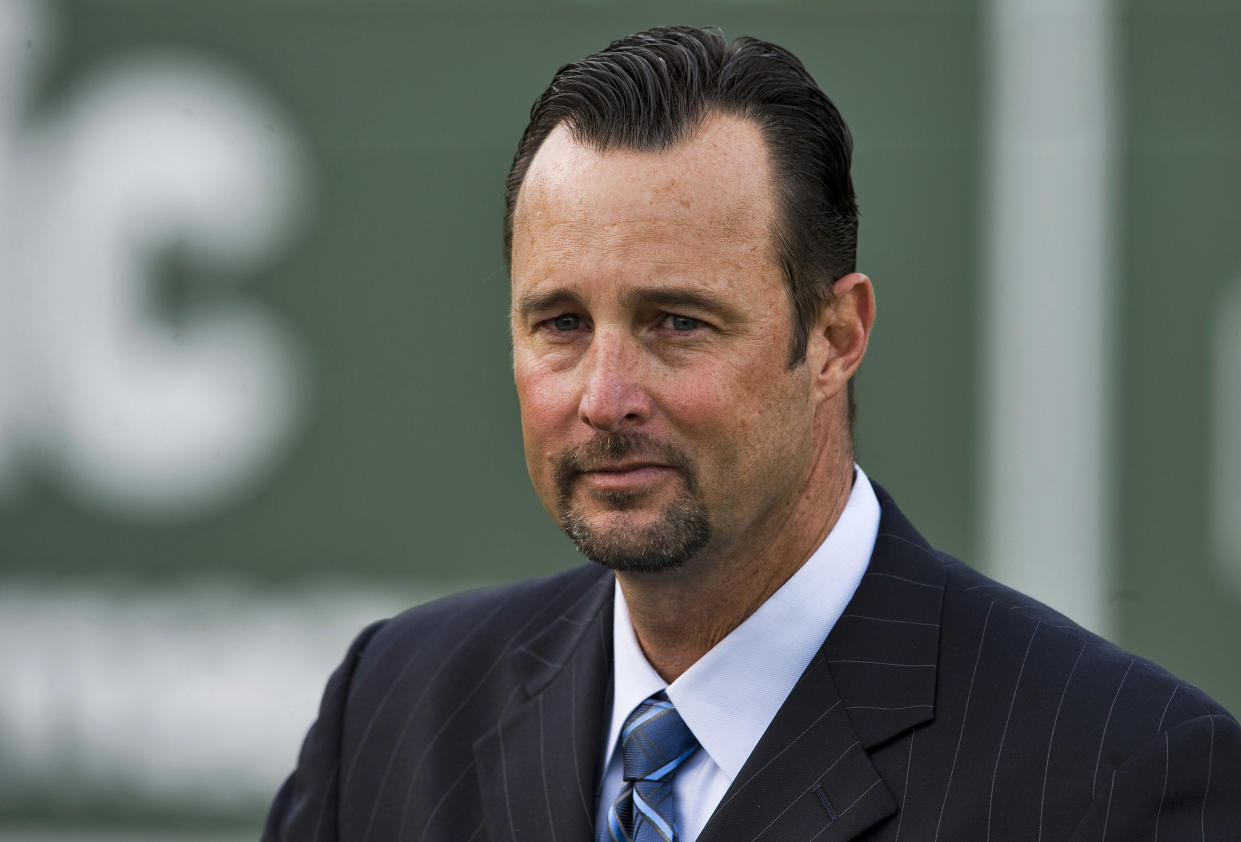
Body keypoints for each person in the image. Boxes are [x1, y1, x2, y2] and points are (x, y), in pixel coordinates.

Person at [264, 26, 1240, 842]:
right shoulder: (392, 713)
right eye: (560, 322)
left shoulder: (1123, 777)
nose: (604, 397)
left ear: (833, 336)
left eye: (676, 322)